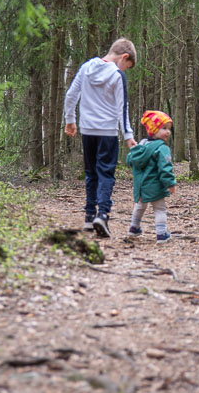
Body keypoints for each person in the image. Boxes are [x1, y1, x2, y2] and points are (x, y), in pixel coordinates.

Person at [63, 38, 138, 237]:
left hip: (87, 130)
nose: (125, 70)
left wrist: (70, 120)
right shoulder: (117, 75)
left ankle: (89, 217)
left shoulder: (86, 67)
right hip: (107, 132)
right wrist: (128, 135)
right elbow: (123, 107)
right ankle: (102, 215)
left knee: (91, 173)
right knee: (106, 173)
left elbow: (71, 95)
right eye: (126, 66)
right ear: (124, 57)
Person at [125, 110, 177, 243]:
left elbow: (130, 161)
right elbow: (165, 167)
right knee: (159, 208)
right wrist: (170, 183)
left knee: (140, 206)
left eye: (169, 129)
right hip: (155, 186)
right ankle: (161, 234)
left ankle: (134, 228)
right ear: (153, 130)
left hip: (141, 186)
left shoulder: (141, 145)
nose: (168, 132)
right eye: (164, 128)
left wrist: (133, 149)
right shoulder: (162, 148)